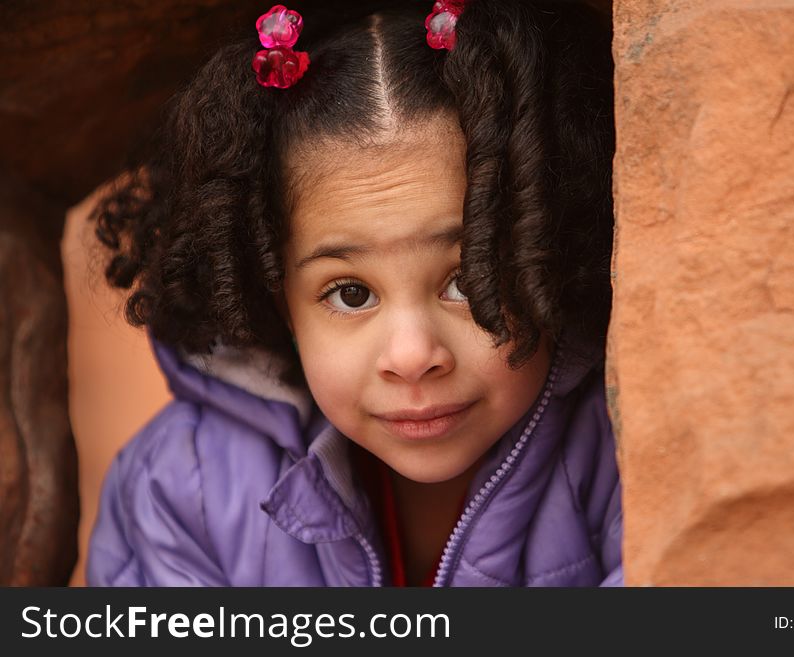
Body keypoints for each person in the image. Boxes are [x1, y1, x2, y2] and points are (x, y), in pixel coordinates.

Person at [86, 0, 622, 587]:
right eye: (350, 294)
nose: (413, 356)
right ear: (276, 299)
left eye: (468, 282)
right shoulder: (181, 488)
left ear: (552, 251)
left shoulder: (627, 441)